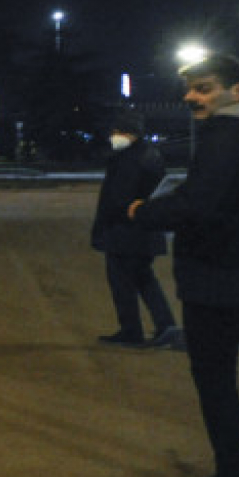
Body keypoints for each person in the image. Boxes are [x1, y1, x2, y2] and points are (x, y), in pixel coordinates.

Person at [127, 53, 239, 477]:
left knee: (216, 382)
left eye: (205, 88)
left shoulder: (227, 135)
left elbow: (200, 205)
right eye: (191, 88)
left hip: (218, 280)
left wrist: (144, 212)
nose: (191, 97)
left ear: (238, 92)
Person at [90, 111, 179, 348]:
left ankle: (131, 331)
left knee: (122, 283)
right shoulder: (149, 154)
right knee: (143, 278)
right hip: (145, 230)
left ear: (131, 133)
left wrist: (107, 221)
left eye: (117, 131)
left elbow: (118, 199)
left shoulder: (129, 159)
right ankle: (166, 327)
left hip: (125, 232)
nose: (113, 135)